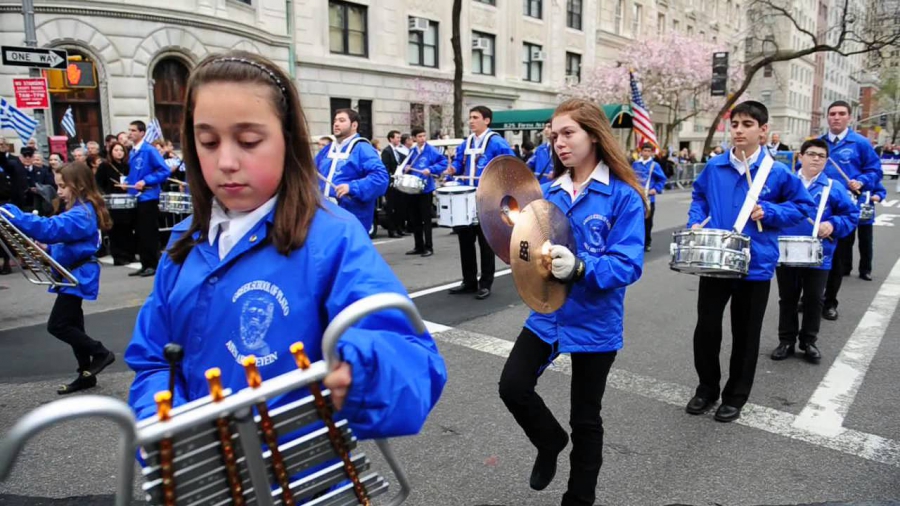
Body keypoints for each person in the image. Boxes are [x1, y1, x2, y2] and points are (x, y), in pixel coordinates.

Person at [124, 52, 446, 449]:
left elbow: (413, 360)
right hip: (199, 479)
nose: (225, 161)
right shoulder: (182, 243)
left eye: (249, 141)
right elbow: (153, 360)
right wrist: (163, 425)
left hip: (301, 479)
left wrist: (365, 371)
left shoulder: (332, 238)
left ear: (287, 140)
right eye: (207, 141)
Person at [498, 99, 647, 506]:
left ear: (594, 136)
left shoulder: (623, 197)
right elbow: (524, 250)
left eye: (568, 133)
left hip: (596, 321)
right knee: (512, 386)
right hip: (547, 314)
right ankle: (549, 441)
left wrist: (581, 267)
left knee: (586, 420)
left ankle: (578, 500)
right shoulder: (545, 193)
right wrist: (508, 242)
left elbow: (628, 265)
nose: (559, 142)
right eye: (554, 135)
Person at [685, 100, 814, 422]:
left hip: (755, 266)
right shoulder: (715, 167)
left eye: (747, 125)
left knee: (745, 334)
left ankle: (736, 395)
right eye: (735, 124)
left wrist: (770, 212)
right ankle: (706, 388)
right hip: (716, 260)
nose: (739, 131)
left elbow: (802, 207)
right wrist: (695, 220)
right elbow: (699, 196)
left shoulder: (778, 172)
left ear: (763, 130)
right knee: (707, 329)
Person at [2, 162, 115, 394]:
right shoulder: (80, 210)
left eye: (63, 186)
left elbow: (52, 228)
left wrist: (14, 215)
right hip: (72, 272)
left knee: (59, 325)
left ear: (79, 185)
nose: (59, 191)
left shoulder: (82, 213)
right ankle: (85, 373)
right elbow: (64, 241)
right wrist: (46, 249)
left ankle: (101, 352)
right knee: (73, 324)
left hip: (78, 274)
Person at [771, 139, 859, 364]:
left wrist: (833, 225)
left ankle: (808, 341)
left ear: (826, 160)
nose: (816, 158)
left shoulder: (833, 186)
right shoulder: (786, 183)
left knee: (814, 299)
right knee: (787, 298)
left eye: (821, 155)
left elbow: (851, 215)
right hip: (787, 250)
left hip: (820, 254)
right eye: (811, 153)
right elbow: (770, 208)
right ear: (800, 157)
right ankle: (786, 340)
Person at [444, 106, 515, 299]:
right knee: (465, 241)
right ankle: (468, 281)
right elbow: (459, 163)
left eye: (475, 117)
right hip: (465, 197)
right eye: (470, 117)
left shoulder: (497, 142)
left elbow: (510, 165)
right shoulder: (466, 143)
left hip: (487, 200)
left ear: (487, 120)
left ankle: (485, 283)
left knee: (485, 243)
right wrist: (452, 169)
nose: (471, 121)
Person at [820, 100, 883, 319]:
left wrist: (861, 181)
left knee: (838, 257)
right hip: (818, 208)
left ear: (849, 117)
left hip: (844, 209)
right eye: (832, 114)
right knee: (813, 257)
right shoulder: (819, 144)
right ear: (827, 117)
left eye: (841, 114)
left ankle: (829, 302)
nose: (836, 117)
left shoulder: (860, 143)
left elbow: (875, 170)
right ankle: (811, 297)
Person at [314, 109, 388, 233]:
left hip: (351, 219)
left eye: (342, 121)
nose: (336, 124)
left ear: (354, 125)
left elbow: (381, 178)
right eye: (335, 121)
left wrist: (351, 187)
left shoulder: (363, 148)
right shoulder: (327, 149)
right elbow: (311, 172)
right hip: (324, 216)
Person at [125, 120, 172, 277]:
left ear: (142, 133)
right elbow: (134, 174)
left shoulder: (149, 150)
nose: (130, 133)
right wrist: (127, 183)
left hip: (148, 196)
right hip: (136, 197)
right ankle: (145, 263)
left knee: (148, 232)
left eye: (133, 130)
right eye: (129, 130)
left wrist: (146, 181)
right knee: (139, 232)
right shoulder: (133, 151)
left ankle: (153, 263)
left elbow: (164, 170)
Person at [403, 127, 447, 257]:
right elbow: (406, 166)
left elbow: (443, 162)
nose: (422, 138)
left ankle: (429, 247)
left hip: (426, 188)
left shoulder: (431, 150)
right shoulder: (412, 151)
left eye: (424, 136)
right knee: (415, 218)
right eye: (419, 136)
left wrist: (431, 169)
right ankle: (418, 246)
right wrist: (406, 168)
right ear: (414, 138)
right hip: (413, 188)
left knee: (426, 219)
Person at [97, 141, 135, 266]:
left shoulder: (127, 166)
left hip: (127, 201)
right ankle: (118, 256)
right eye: (116, 150)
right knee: (116, 229)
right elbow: (98, 183)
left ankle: (130, 254)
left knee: (128, 229)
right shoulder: (105, 166)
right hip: (112, 202)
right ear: (111, 152)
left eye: (121, 150)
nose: (119, 153)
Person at [631, 143, 667, 252]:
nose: (646, 153)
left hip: (649, 199)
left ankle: (647, 242)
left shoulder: (654, 165)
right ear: (640, 152)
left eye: (648, 151)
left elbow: (662, 179)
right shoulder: (635, 164)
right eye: (644, 150)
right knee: (635, 220)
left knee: (647, 222)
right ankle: (636, 241)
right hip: (636, 197)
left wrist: (656, 189)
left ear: (651, 152)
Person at [380, 130, 408, 238]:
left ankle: (399, 228)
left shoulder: (398, 151)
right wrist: (390, 178)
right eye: (397, 137)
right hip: (391, 183)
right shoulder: (387, 151)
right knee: (391, 207)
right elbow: (385, 167)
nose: (399, 140)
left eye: (400, 138)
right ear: (391, 139)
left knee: (400, 206)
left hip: (399, 181)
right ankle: (392, 230)